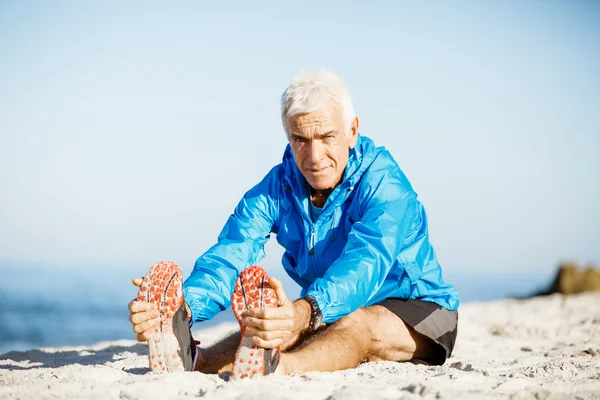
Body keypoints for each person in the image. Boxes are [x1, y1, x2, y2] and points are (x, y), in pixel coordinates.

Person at [128, 70, 459, 377]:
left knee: (355, 322)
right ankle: (194, 361)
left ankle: (276, 370)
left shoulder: (386, 185)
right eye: (300, 139)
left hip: (420, 310)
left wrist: (308, 310)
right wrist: (184, 308)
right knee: (265, 324)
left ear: (352, 131)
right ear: (288, 136)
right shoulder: (279, 185)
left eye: (327, 136)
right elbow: (234, 250)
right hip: (328, 303)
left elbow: (366, 261)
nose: (313, 156)